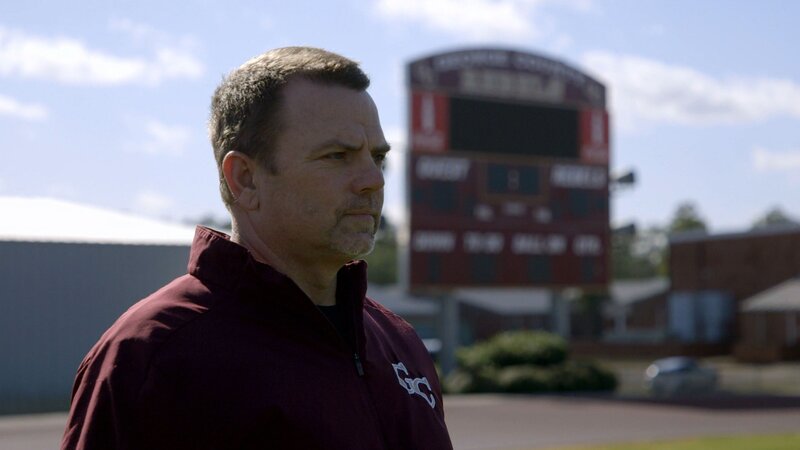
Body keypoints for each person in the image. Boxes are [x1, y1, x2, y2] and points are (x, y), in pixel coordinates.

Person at [62, 47, 453, 450]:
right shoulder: (151, 354)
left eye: (377, 157)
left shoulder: (399, 342)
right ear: (245, 179)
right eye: (337, 156)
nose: (374, 180)